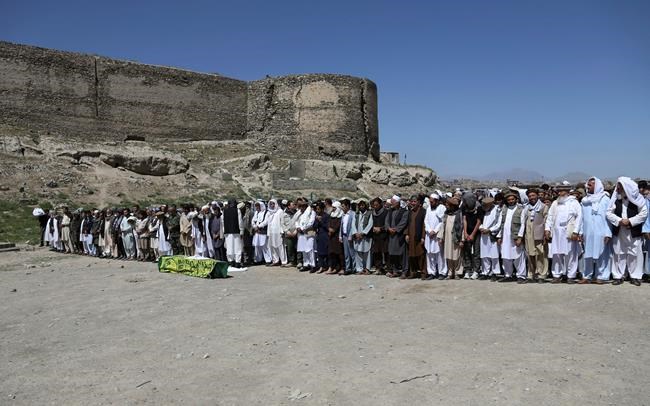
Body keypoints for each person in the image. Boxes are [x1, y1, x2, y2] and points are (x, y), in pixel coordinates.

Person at [606, 177, 648, 286]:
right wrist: (619, 221)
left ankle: (635, 276)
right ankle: (618, 276)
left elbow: (643, 214)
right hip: (619, 230)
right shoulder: (615, 199)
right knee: (618, 253)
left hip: (633, 230)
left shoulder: (638, 199)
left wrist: (630, 221)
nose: (617, 188)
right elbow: (608, 213)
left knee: (634, 253)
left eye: (620, 186)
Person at [545, 185, 583, 283]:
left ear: (567, 192)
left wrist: (576, 231)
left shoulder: (574, 202)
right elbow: (550, 216)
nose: (559, 193)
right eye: (558, 191)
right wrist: (547, 229)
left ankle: (571, 275)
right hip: (557, 231)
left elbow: (579, 217)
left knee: (571, 253)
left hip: (569, 231)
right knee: (556, 253)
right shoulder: (555, 203)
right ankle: (557, 275)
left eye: (561, 191)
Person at [578, 177, 612, 284]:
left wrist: (608, 233)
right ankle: (587, 275)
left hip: (601, 231)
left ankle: (601, 276)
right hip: (587, 231)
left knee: (602, 253)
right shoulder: (585, 201)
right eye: (587, 185)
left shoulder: (605, 199)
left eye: (590, 185)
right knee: (587, 253)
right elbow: (582, 217)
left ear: (596, 186)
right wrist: (580, 232)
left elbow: (608, 217)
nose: (587, 187)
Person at [497, 191, 528, 283]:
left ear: (516, 199)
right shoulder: (504, 209)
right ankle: (508, 275)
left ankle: (521, 276)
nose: (511, 201)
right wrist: (499, 236)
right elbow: (501, 223)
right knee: (506, 256)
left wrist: (520, 237)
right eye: (509, 200)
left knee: (518, 256)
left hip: (515, 236)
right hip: (505, 236)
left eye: (512, 199)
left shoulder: (521, 209)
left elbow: (522, 224)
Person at [524, 189, 549, 282]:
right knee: (530, 254)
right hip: (528, 233)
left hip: (539, 233)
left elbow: (547, 220)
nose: (531, 198)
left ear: (537, 196)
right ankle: (532, 273)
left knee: (541, 254)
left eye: (533, 195)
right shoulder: (526, 207)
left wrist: (546, 233)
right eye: (530, 196)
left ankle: (541, 274)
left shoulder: (543, 207)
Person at [423, 194, 446, 279]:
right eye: (430, 201)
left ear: (437, 201)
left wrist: (435, 231)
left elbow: (442, 221)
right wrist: (429, 231)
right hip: (429, 235)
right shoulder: (429, 208)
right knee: (430, 254)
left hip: (437, 235)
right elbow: (426, 221)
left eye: (432, 202)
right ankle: (432, 272)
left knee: (439, 254)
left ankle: (442, 272)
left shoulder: (442, 208)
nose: (430, 203)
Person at [478, 197, 502, 280]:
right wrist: (481, 228)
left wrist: (489, 230)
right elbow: (480, 221)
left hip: (492, 235)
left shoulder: (497, 210)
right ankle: (485, 272)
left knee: (494, 255)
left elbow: (499, 224)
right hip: (483, 235)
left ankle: (495, 273)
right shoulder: (483, 210)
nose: (484, 206)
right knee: (484, 255)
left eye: (486, 205)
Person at [385, 196, 409, 278]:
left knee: (402, 254)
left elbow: (404, 222)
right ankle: (395, 271)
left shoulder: (404, 211)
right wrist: (388, 228)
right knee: (393, 254)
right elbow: (386, 221)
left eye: (393, 202)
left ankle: (404, 272)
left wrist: (396, 229)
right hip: (391, 236)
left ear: (398, 202)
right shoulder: (390, 211)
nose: (391, 203)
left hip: (399, 236)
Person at [461, 192, 483, 279]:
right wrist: (465, 233)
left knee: (476, 252)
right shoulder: (464, 207)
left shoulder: (479, 207)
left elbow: (479, 221)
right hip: (467, 232)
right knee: (467, 251)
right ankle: (467, 270)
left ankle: (476, 270)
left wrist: (473, 234)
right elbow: (464, 219)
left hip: (476, 233)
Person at [404, 195, 426, 279]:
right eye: (412, 201)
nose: (413, 203)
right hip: (411, 237)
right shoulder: (410, 212)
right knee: (411, 255)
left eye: (415, 201)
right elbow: (408, 224)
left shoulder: (423, 211)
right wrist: (407, 234)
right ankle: (413, 272)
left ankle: (423, 272)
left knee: (421, 255)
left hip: (419, 237)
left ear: (419, 202)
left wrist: (423, 237)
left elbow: (424, 225)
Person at [351, 198, 373, 274]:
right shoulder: (356, 214)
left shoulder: (369, 213)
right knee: (358, 252)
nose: (361, 206)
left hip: (366, 236)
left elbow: (370, 224)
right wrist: (355, 233)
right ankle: (359, 269)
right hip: (357, 236)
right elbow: (353, 224)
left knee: (367, 252)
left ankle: (367, 268)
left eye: (363, 205)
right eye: (360, 205)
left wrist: (363, 233)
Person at [296, 198, 316, 272]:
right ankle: (306, 264)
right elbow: (296, 221)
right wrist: (298, 227)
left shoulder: (311, 212)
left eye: (303, 205)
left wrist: (303, 228)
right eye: (300, 206)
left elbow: (311, 222)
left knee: (310, 249)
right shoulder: (299, 213)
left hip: (309, 232)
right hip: (301, 233)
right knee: (303, 249)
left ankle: (312, 265)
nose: (301, 207)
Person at [223, 199, 245, 267]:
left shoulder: (224, 211)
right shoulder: (237, 210)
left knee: (229, 247)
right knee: (237, 247)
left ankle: (231, 261)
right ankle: (237, 262)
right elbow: (240, 222)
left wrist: (224, 232)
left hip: (227, 232)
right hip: (236, 231)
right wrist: (241, 231)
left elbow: (222, 222)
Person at [267, 199, 288, 266]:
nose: (272, 205)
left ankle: (283, 261)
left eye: (273, 204)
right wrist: (268, 232)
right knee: (273, 246)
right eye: (271, 204)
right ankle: (275, 260)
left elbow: (282, 221)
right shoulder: (269, 212)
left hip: (278, 231)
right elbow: (268, 223)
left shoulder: (280, 211)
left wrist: (282, 231)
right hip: (271, 232)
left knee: (280, 246)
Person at [371, 197, 388, 274]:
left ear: (380, 204)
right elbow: (370, 223)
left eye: (376, 205)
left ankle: (388, 268)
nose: (375, 207)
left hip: (384, 235)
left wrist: (381, 228)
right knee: (376, 252)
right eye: (374, 205)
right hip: (375, 235)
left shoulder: (386, 212)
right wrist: (373, 228)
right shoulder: (372, 213)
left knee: (386, 252)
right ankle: (379, 268)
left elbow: (388, 223)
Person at [326, 201, 344, 274]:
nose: (333, 209)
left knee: (340, 253)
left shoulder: (341, 216)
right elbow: (328, 223)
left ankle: (342, 267)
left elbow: (339, 225)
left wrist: (333, 230)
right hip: (331, 237)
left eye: (334, 208)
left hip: (337, 236)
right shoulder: (331, 215)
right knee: (332, 253)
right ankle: (336, 267)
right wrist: (329, 229)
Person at [339, 199, 356, 275]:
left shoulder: (352, 214)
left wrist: (351, 235)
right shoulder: (343, 215)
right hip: (344, 236)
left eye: (343, 206)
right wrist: (340, 236)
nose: (342, 208)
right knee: (346, 254)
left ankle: (354, 268)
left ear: (348, 206)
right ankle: (348, 268)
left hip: (350, 236)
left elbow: (353, 226)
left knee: (352, 253)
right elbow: (341, 226)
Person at [313, 201, 330, 273]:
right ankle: (321, 266)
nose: (317, 211)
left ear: (322, 209)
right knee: (319, 252)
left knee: (326, 252)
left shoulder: (326, 216)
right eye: (316, 209)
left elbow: (327, 227)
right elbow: (314, 226)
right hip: (319, 236)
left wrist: (321, 221)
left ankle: (328, 266)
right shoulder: (317, 216)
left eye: (318, 209)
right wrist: (317, 221)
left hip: (325, 236)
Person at [281, 200, 298, 267]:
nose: (294, 206)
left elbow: (298, 222)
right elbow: (283, 224)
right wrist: (287, 231)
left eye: (294, 204)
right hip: (288, 233)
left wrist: (296, 231)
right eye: (293, 204)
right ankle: (292, 261)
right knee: (290, 248)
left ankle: (298, 261)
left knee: (297, 247)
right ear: (289, 206)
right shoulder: (284, 214)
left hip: (296, 232)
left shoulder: (297, 213)